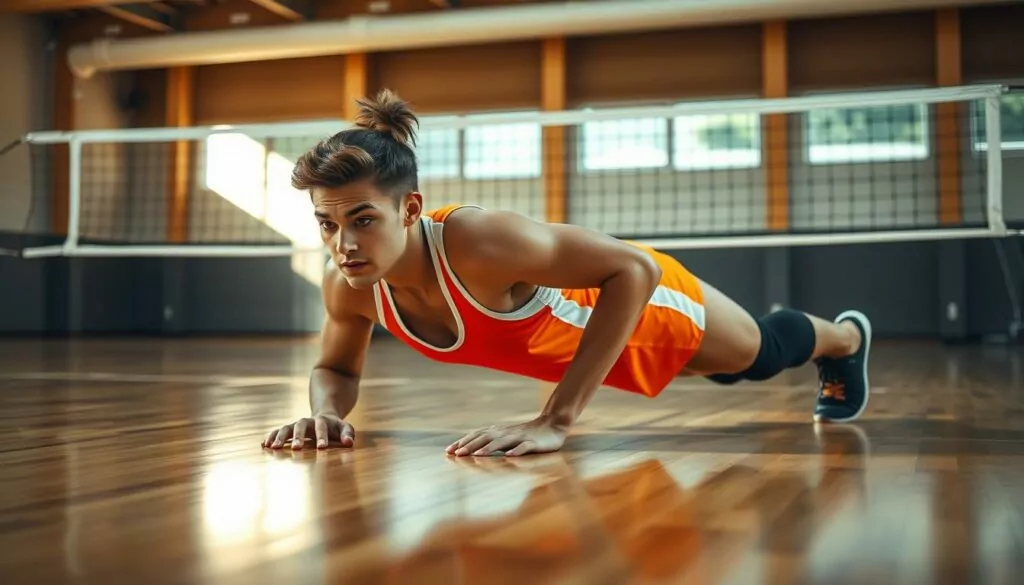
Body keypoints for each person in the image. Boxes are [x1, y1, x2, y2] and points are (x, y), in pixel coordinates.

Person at [261, 89, 872, 457]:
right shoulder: (350, 286)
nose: (343, 243)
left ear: (410, 208)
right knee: (720, 372)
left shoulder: (478, 241)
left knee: (755, 357)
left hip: (647, 302)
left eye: (363, 220)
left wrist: (556, 420)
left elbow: (632, 269)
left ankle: (846, 339)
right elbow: (336, 368)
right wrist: (328, 411)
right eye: (327, 224)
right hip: (589, 343)